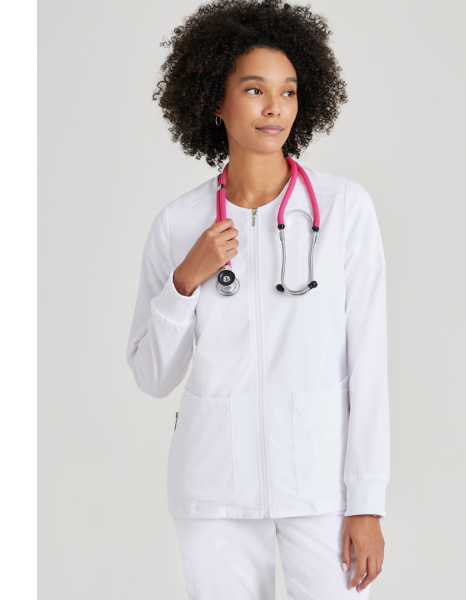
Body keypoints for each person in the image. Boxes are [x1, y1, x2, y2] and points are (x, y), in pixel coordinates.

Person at [125, 1, 390, 597]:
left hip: (320, 487)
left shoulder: (344, 210)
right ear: (214, 101)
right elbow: (151, 375)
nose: (275, 108)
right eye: (254, 90)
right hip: (214, 488)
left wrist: (367, 500)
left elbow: (369, 362)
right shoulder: (179, 224)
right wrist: (184, 282)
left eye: (288, 91)